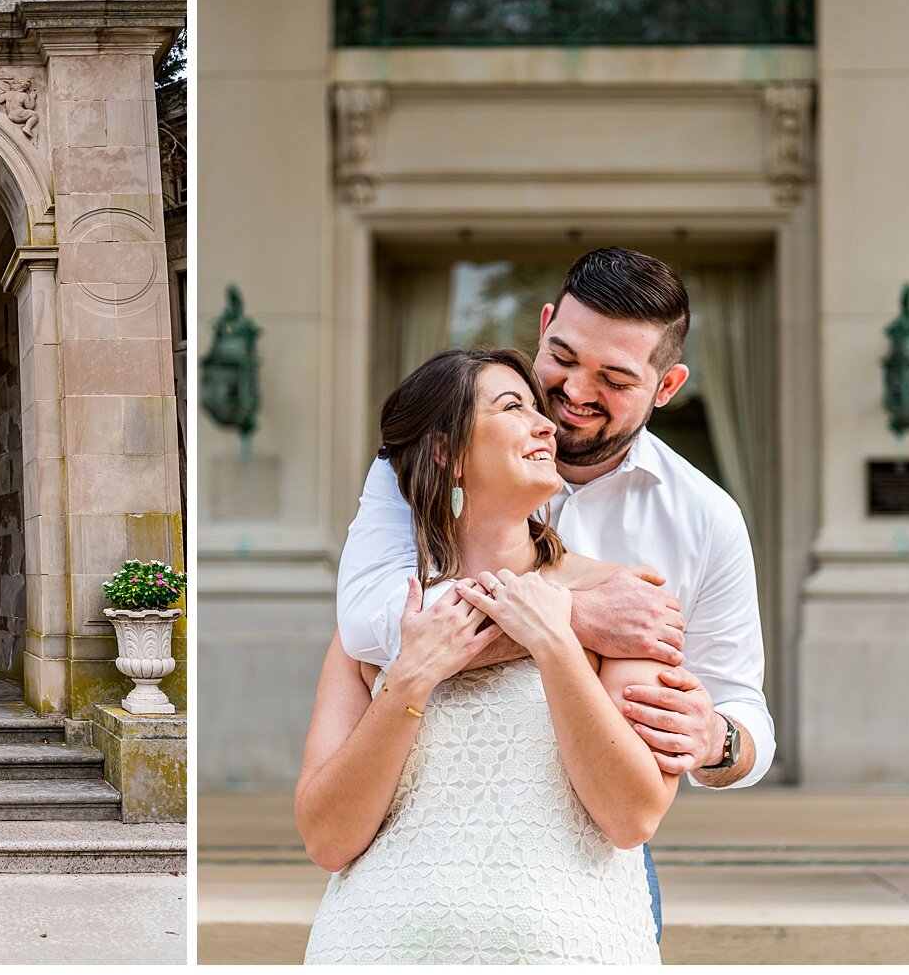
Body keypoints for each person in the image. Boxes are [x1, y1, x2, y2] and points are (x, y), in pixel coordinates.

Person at [334, 247, 774, 939]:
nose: (572, 390)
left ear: (668, 386)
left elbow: (740, 703)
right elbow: (367, 622)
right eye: (563, 355)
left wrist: (719, 741)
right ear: (543, 325)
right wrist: (572, 616)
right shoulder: (420, 464)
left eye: (615, 378)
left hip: (577, 869)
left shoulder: (705, 517)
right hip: (413, 856)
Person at [301, 348, 676, 963]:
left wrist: (556, 640)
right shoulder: (375, 625)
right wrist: (411, 680)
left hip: (571, 951)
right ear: (445, 450)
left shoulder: (622, 605)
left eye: (538, 409)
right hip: (378, 949)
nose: (546, 424)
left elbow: (631, 816)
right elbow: (327, 839)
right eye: (512, 407)